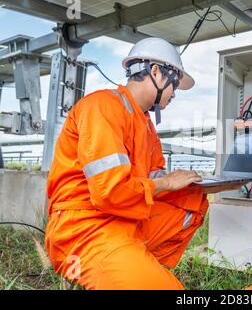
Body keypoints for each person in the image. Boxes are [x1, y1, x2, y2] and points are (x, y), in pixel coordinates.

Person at [45, 37, 241, 289]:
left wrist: (200, 186)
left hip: (123, 220)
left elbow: (153, 184)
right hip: (84, 228)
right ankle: (126, 270)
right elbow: (110, 192)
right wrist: (168, 182)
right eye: (174, 86)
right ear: (156, 72)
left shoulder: (146, 127)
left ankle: (135, 265)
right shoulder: (103, 106)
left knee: (193, 203)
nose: (174, 95)